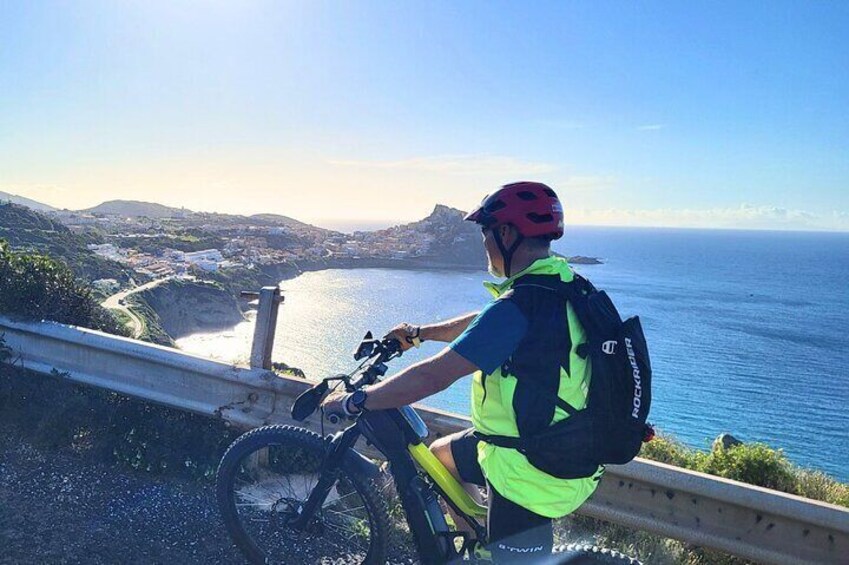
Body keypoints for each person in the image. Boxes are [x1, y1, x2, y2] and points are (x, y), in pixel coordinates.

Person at [321, 181, 603, 562]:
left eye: (485, 232)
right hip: (562, 441)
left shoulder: (520, 305)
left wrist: (359, 400)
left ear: (505, 233)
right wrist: (419, 335)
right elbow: (485, 324)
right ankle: (480, 540)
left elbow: (434, 377)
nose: (483, 242)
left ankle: (499, 548)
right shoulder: (562, 284)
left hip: (530, 469)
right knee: (441, 456)